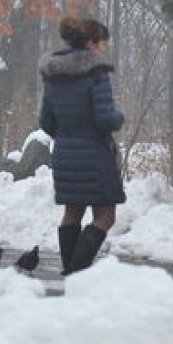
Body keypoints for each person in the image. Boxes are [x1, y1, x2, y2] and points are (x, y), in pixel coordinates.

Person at [38, 16, 126, 274]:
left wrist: (67, 136)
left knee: (72, 212)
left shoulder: (53, 76)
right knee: (105, 216)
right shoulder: (96, 74)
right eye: (102, 43)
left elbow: (46, 121)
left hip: (64, 154)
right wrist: (119, 118)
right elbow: (104, 119)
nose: (103, 48)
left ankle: (71, 271)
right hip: (94, 154)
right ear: (90, 43)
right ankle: (77, 271)